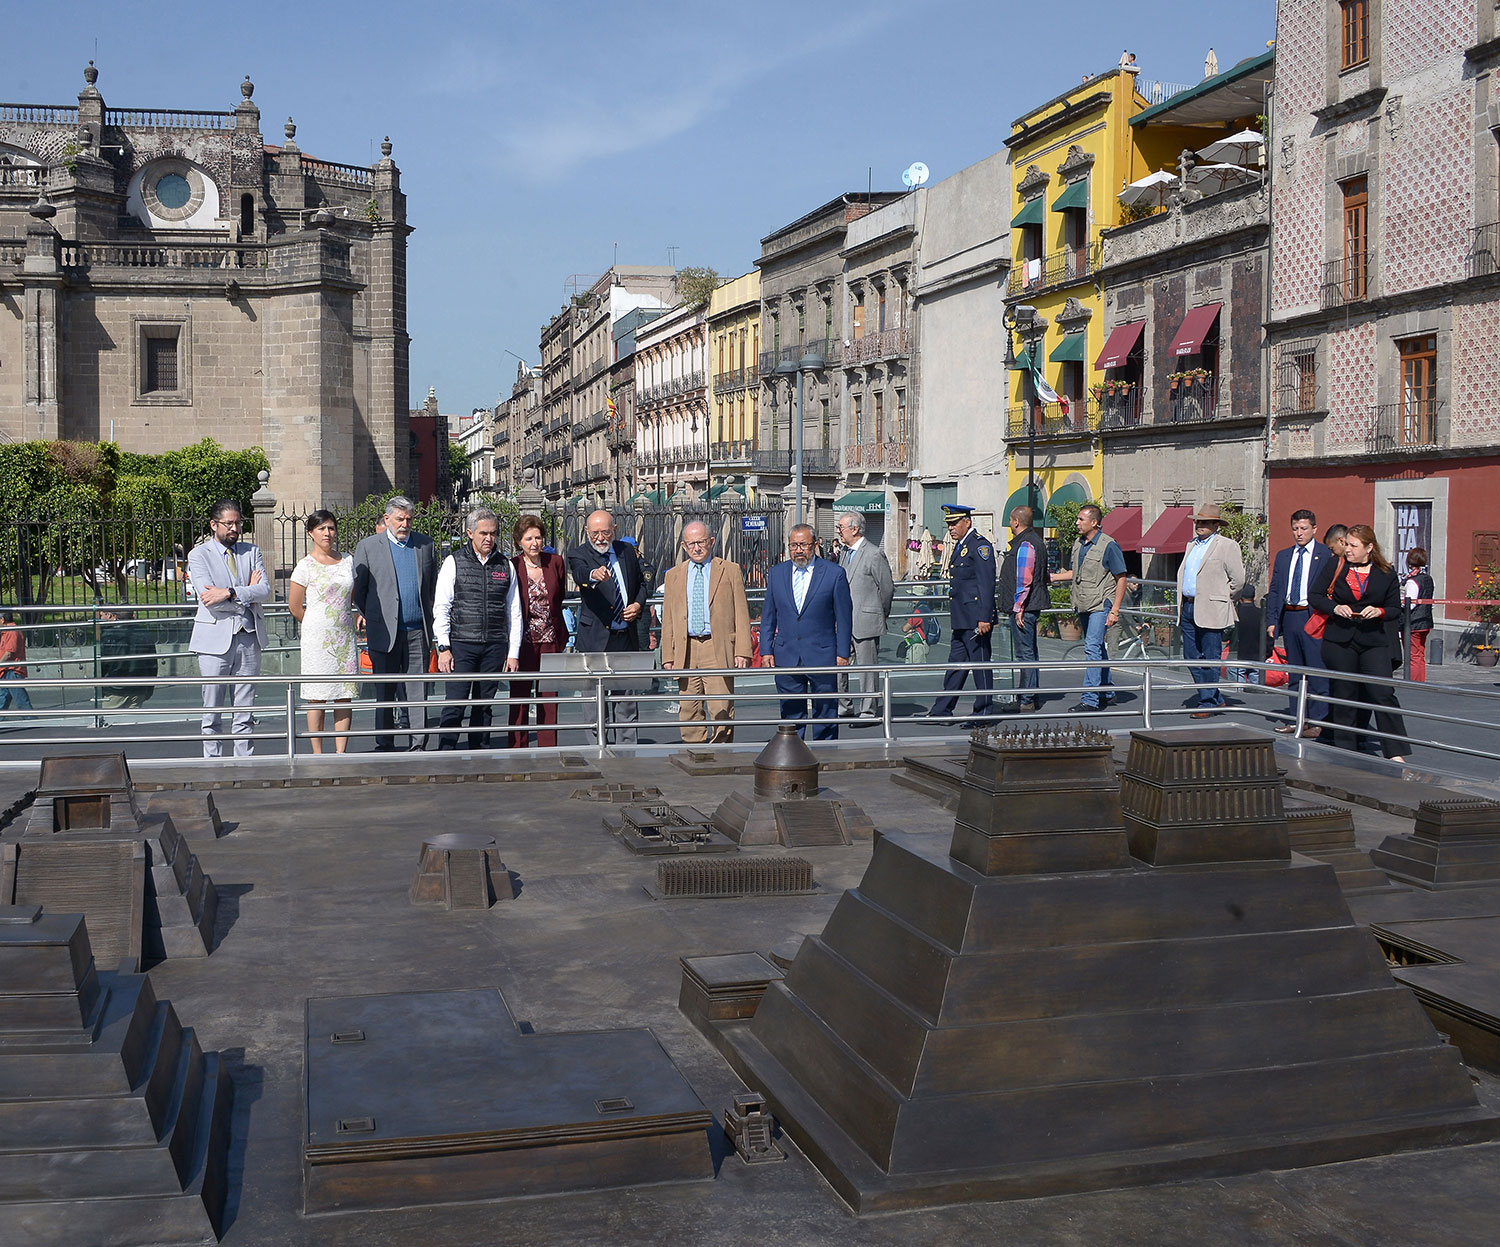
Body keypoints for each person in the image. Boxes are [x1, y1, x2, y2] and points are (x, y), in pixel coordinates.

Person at [1309, 524, 1408, 762]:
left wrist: (1380, 612)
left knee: (1382, 692)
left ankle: (1396, 752)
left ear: (1369, 548)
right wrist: (1335, 607)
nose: (1348, 550)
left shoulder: (1386, 573)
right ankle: (1346, 750)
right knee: (1345, 693)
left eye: (1354, 545)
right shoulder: (1336, 565)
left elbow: (1395, 609)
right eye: (1346, 544)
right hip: (1340, 639)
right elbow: (1315, 595)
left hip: (1373, 640)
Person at [352, 497, 438, 752]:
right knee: (385, 691)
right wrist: (376, 616)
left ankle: (418, 743)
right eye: (400, 519)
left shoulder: (425, 545)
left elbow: (430, 586)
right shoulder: (368, 547)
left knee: (417, 690)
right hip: (384, 632)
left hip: (416, 631)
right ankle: (385, 743)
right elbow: (360, 591)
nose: (405, 524)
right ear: (387, 519)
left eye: (409, 519)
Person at [432, 507, 522, 750]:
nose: (488, 538)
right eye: (483, 533)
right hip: (461, 643)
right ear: (470, 533)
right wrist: (443, 647)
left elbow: (514, 610)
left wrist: (513, 652)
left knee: (484, 703)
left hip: (494, 644)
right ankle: (446, 750)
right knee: (455, 701)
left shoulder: (505, 565)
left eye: (493, 533)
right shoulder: (453, 562)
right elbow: (441, 606)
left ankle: (480, 750)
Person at [187, 500, 270, 757]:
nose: (234, 528)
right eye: (229, 524)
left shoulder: (251, 551)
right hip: (214, 639)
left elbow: (265, 590)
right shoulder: (198, 555)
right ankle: (213, 763)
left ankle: (244, 762)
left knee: (245, 709)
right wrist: (246, 595)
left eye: (238, 523)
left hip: (249, 636)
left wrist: (230, 592)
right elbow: (208, 599)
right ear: (214, 525)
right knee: (212, 709)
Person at [659, 520, 752, 743]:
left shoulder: (729, 570)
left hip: (717, 646)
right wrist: (668, 656)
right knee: (689, 709)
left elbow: (741, 611)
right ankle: (694, 754)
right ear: (683, 546)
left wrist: (742, 650)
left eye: (701, 542)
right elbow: (669, 619)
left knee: (721, 707)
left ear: (711, 542)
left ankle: (721, 754)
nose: (696, 548)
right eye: (691, 544)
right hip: (686, 648)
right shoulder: (674, 575)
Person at [760, 523, 853, 740]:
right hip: (787, 653)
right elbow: (768, 616)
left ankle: (826, 751)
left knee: (825, 710)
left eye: (803, 545)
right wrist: (766, 650)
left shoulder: (834, 574)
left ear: (815, 544)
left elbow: (844, 617)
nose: (798, 550)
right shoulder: (776, 573)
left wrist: (843, 653)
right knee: (791, 711)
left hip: (823, 653)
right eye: (793, 545)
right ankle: (794, 753)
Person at [568, 509, 650, 744]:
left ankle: (627, 750)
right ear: (587, 532)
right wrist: (594, 574)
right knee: (594, 702)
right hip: (594, 639)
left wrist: (638, 604)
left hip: (625, 637)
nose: (600, 538)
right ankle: (598, 748)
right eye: (595, 533)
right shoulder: (578, 554)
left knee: (626, 701)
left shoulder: (627, 553)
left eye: (605, 532)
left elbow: (642, 584)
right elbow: (580, 573)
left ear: (614, 530)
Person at [288, 511, 360, 754]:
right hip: (316, 638)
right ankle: (317, 753)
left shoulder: (349, 561)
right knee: (316, 695)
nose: (327, 533)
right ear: (311, 533)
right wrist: (317, 625)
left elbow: (350, 597)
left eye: (330, 528)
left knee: (343, 694)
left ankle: (341, 752)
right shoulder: (304, 566)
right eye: (321, 529)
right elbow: (295, 607)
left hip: (344, 635)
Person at [1052, 503, 1127, 711]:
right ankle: (1107, 691)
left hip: (1101, 604)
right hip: (1083, 602)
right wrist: (1053, 577)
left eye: (1081, 519)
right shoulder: (1078, 543)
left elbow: (1121, 578)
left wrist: (1115, 610)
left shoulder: (1109, 545)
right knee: (1096, 648)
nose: (1077, 523)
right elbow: (1075, 573)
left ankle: (1090, 699)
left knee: (1092, 647)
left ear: (1094, 522)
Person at [1266, 509, 1333, 738]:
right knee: (1294, 672)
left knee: (1316, 671)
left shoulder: (1324, 555)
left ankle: (1318, 721)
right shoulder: (1285, 556)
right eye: (1295, 528)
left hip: (1312, 616)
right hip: (1291, 615)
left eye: (1303, 528)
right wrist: (1273, 620)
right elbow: (1275, 590)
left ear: (1314, 529)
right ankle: (1297, 719)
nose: (1299, 533)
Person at [1175, 502, 1245, 719]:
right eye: (1198, 521)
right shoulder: (1191, 545)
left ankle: (1207, 701)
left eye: (1205, 522)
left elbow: (1239, 580)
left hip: (1211, 608)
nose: (1200, 525)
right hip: (1187, 606)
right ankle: (1213, 697)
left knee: (1210, 657)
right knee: (1190, 656)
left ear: (1216, 524)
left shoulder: (1226, 545)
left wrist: (1224, 598)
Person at [929, 504, 996, 723]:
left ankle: (984, 711)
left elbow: (986, 584)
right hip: (961, 617)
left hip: (976, 617)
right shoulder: (961, 546)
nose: (950, 528)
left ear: (967, 522)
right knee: (956, 666)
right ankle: (942, 709)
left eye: (954, 523)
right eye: (948, 524)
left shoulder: (979, 546)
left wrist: (984, 617)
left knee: (980, 666)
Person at [509, 514, 569, 748]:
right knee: (519, 698)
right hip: (522, 642)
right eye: (528, 538)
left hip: (551, 640)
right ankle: (517, 747)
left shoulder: (555, 562)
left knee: (549, 699)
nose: (535, 543)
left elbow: (559, 597)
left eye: (538, 537)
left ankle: (548, 748)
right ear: (519, 542)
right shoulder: (512, 566)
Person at [835, 512, 895, 720]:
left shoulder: (873, 554)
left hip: (865, 619)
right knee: (839, 665)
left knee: (867, 668)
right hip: (843, 621)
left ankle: (868, 709)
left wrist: (880, 613)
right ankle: (844, 706)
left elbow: (886, 589)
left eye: (841, 527)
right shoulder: (844, 552)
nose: (838, 531)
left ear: (854, 529)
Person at [998, 505, 1048, 714]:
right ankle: (1030, 696)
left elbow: (1024, 579)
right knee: (1030, 653)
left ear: (1016, 521)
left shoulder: (1025, 544)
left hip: (1024, 608)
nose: (1010, 524)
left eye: (1010, 521)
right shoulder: (1036, 541)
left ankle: (1026, 699)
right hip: (1030, 605)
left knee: (1025, 654)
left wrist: (1018, 607)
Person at [97, 604, 157, 710]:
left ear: (116, 616)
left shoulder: (109, 636)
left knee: (110, 722)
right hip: (138, 689)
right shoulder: (144, 634)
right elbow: (152, 664)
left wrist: (102, 688)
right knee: (133, 723)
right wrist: (149, 688)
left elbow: (103, 665)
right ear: (133, 616)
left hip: (114, 689)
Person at [1403, 547, 1435, 683]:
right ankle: (1420, 680)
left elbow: (1409, 604)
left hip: (1413, 623)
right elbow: (1432, 601)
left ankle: (1414, 682)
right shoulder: (1429, 578)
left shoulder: (1412, 581)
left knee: (1413, 656)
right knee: (1419, 654)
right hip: (1426, 620)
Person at [0, 610, 34, 716]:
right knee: (2, 700)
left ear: (2, 620)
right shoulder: (6, 632)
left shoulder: (12, 631)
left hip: (12, 670)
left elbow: (9, 653)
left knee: (21, 701)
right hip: (6, 671)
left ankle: (32, 722)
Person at [1232, 584, 1266, 687]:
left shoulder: (1236, 614)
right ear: (1254, 597)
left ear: (1240, 598)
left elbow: (1228, 634)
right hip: (1257, 655)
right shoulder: (1261, 614)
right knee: (1255, 688)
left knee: (1237, 686)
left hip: (1238, 655)